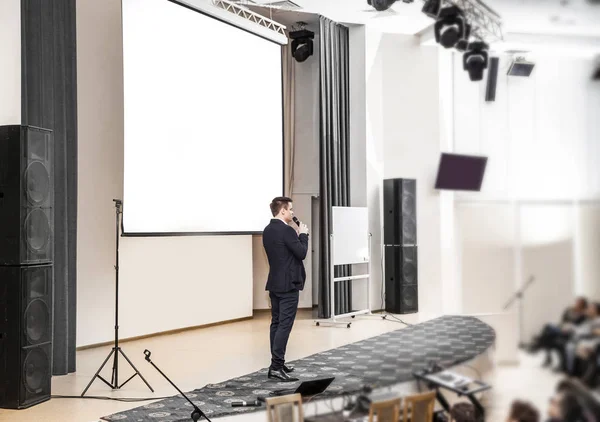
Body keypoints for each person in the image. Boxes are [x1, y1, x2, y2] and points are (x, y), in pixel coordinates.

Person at [262, 196, 309, 382]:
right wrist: (303, 234)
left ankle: (277, 363)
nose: (292, 213)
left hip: (274, 283)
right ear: (282, 211)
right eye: (290, 209)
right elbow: (302, 253)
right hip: (288, 284)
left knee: (276, 323)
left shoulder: (267, 230)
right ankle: (276, 366)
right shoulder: (288, 231)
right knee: (284, 325)